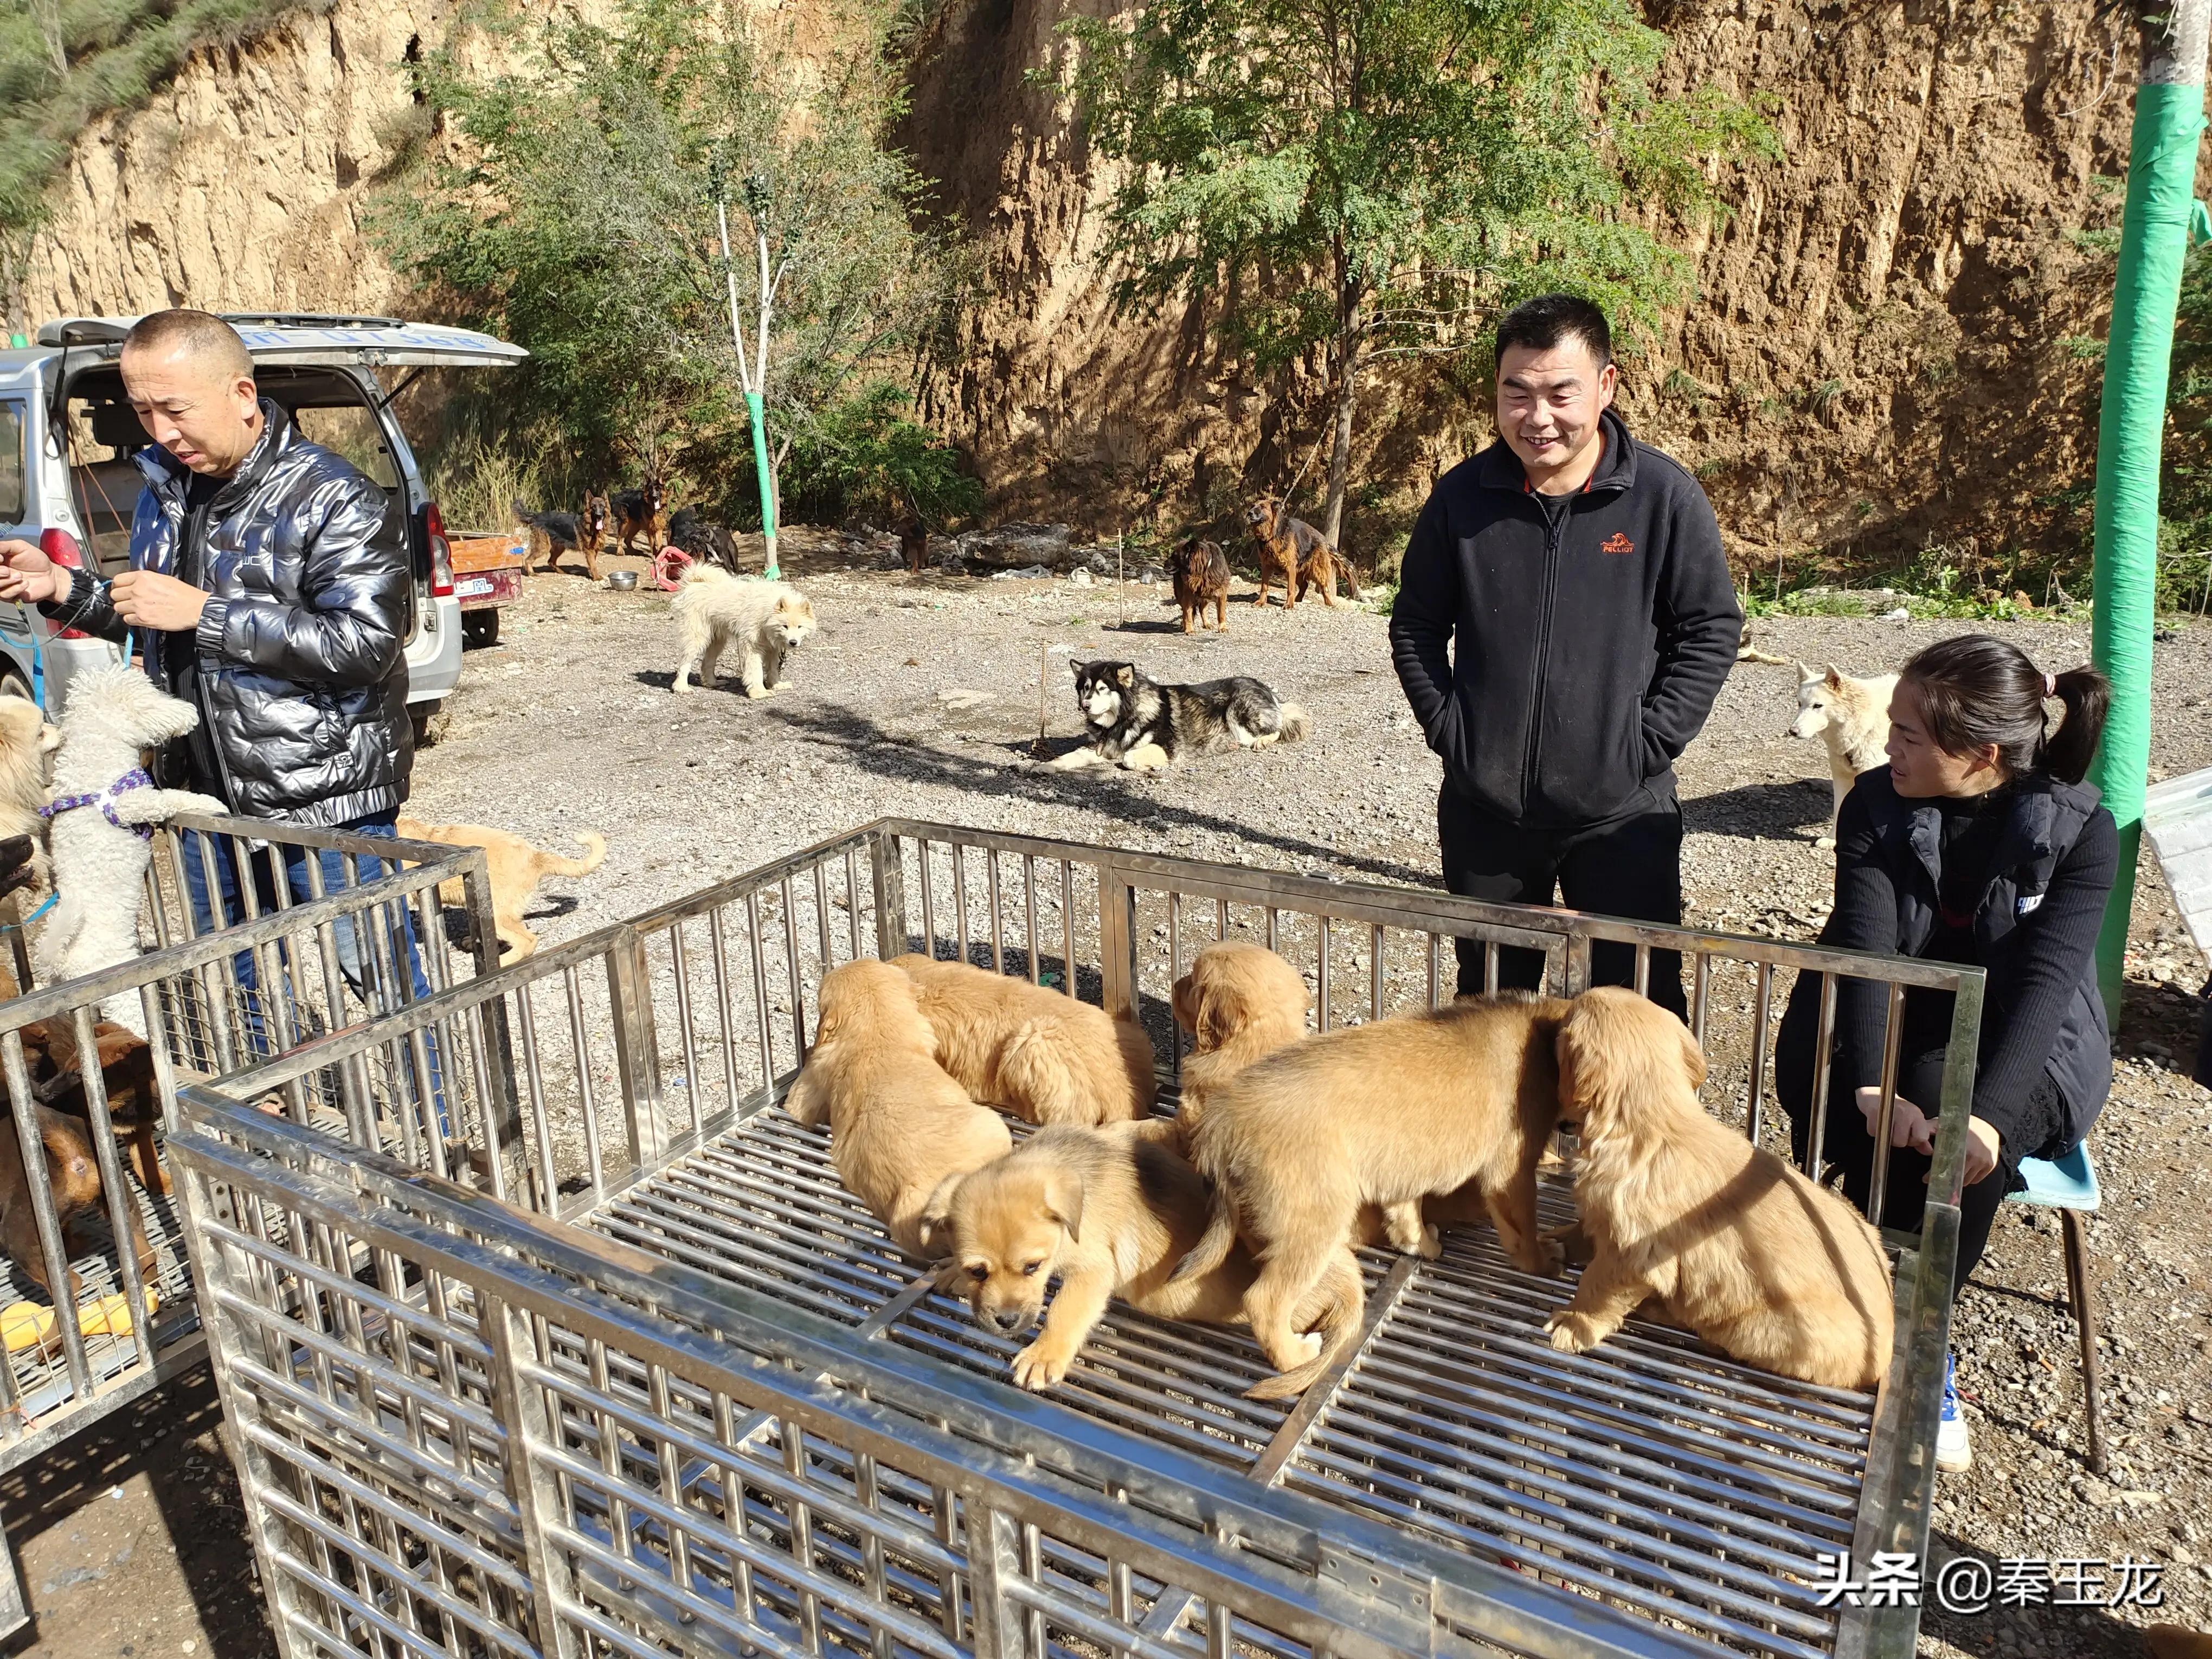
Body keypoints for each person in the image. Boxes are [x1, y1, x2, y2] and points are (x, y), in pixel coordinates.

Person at [0, 309, 439, 1089]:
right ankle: (268, 1116)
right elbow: (150, 611)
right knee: (234, 979)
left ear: (241, 393)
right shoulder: (164, 490)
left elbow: (366, 646)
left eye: (175, 408)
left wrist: (204, 613)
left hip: (324, 796)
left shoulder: (334, 498)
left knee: (382, 977)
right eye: (141, 410)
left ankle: (436, 1133)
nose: (160, 431)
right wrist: (63, 587)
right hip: (202, 795)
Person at [1775, 635, 2115, 1476]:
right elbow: (1867, 949)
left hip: (2027, 1035)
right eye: (1890, 728)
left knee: (1952, 1146)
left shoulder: (2082, 832)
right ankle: (1863, 1303)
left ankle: (1920, 1347)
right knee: (1853, 1111)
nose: (1886, 749)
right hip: (1888, 998)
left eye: (1908, 738)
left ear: (1984, 756)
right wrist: (1867, 1080)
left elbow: (2043, 989)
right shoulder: (1874, 806)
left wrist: (1991, 1122)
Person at [1390, 293, 1741, 1014]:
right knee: (1491, 1009)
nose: (1537, 417)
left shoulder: (1662, 498)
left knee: (1636, 1010)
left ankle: (1625, 1131)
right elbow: (1416, 626)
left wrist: (1645, 744)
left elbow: (1709, 628)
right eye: (1516, 393)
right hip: (1485, 811)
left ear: (1606, 386)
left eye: (1560, 393)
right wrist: (1453, 731)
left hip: (1621, 811)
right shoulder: (1462, 499)